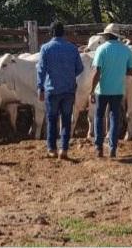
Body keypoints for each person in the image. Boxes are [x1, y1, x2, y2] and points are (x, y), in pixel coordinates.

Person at [37, 20, 84, 159]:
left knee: (51, 119)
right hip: (69, 89)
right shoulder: (72, 48)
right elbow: (80, 68)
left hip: (52, 89)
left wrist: (40, 87)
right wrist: (69, 75)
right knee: (66, 119)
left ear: (51, 33)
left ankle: (52, 149)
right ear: (63, 32)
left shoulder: (45, 48)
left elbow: (41, 70)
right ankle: (64, 149)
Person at [89, 23, 132, 158]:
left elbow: (97, 72)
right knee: (114, 117)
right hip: (118, 89)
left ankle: (98, 147)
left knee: (99, 116)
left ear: (107, 36)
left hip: (101, 90)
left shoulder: (101, 49)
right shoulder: (126, 50)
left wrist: (91, 90)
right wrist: (120, 71)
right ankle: (113, 147)